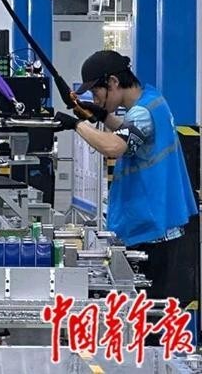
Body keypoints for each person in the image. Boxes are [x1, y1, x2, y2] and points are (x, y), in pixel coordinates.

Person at [54, 50, 198, 304]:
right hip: (158, 225)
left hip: (151, 233)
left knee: (148, 316)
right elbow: (133, 134)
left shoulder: (142, 112)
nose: (96, 99)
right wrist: (102, 116)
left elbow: (115, 146)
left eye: (97, 93)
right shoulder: (153, 100)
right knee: (151, 313)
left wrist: (76, 125)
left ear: (113, 82)